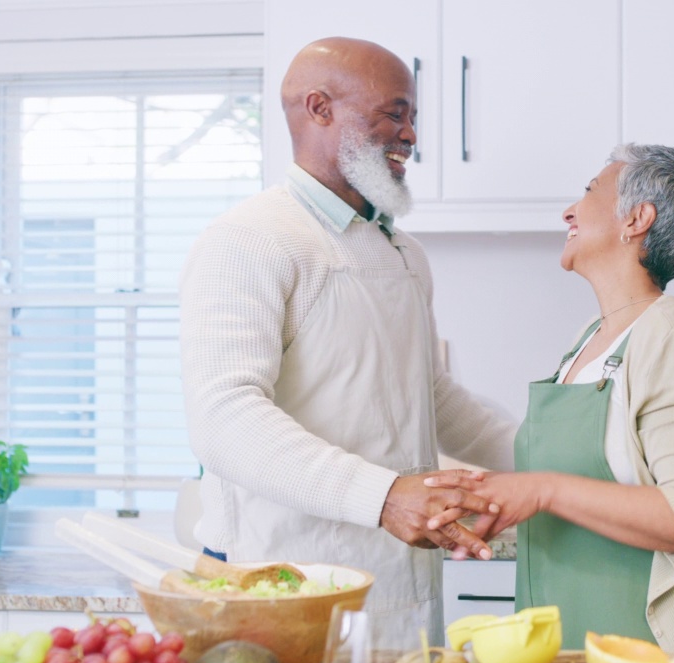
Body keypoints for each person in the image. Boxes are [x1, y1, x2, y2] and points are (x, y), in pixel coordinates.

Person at [177, 37, 515, 629]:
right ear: (319, 108)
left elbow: (430, 395)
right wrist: (385, 497)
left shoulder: (403, 252)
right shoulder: (249, 239)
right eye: (394, 113)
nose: (411, 135)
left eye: (413, 117)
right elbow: (223, 418)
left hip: (401, 586)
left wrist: (552, 462)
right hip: (284, 584)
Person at [426, 144, 674, 652]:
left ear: (636, 219)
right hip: (567, 634)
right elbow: (556, 463)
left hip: (645, 651)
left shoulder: (673, 336)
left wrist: (542, 490)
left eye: (590, 191)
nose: (569, 210)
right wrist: (479, 491)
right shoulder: (592, 338)